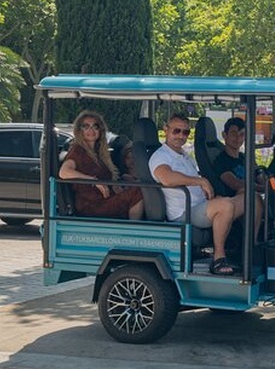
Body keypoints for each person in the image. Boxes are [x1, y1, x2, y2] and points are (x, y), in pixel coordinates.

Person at [149, 113, 246, 276]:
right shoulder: (160, 156)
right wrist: (199, 181)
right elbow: (166, 178)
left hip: (199, 206)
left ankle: (249, 251)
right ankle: (218, 259)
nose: (181, 136)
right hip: (184, 212)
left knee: (248, 198)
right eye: (176, 131)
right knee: (226, 205)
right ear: (166, 130)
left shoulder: (185, 156)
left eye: (185, 132)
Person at [59, 111, 144, 220]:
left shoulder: (99, 152)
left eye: (95, 126)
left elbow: (106, 176)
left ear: (101, 130)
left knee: (140, 186)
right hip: (91, 206)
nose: (91, 130)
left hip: (105, 199)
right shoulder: (78, 150)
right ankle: (134, 232)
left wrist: (119, 182)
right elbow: (64, 172)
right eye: (86, 126)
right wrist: (93, 181)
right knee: (138, 191)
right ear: (79, 130)